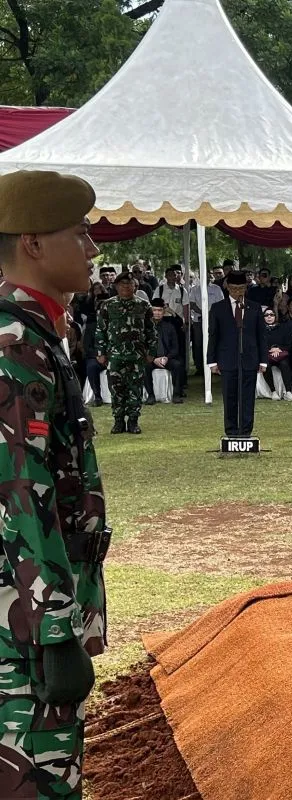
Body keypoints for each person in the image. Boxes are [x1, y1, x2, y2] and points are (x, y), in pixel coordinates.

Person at [0, 170, 109, 799]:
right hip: (22, 625)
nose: (93, 248)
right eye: (79, 232)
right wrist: (54, 631)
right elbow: (19, 492)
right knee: (37, 780)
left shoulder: (37, 334)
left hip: (27, 614)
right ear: (34, 243)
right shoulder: (15, 345)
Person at [207, 270, 268, 438]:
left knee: (248, 398)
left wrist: (263, 360)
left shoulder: (254, 307)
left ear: (246, 288)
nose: (237, 292)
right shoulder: (218, 308)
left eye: (241, 288)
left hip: (250, 358)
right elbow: (213, 335)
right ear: (227, 287)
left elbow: (261, 335)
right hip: (227, 358)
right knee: (230, 397)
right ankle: (231, 431)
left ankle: (246, 431)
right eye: (234, 288)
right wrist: (212, 361)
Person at [95, 272, 155, 434]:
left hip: (136, 355)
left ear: (135, 286)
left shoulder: (144, 305)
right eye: (122, 284)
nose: (126, 287)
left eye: (129, 284)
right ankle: (118, 421)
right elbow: (100, 330)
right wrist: (100, 352)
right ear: (116, 287)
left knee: (135, 389)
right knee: (116, 389)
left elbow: (151, 330)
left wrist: (151, 351)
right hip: (115, 355)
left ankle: (133, 421)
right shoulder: (107, 305)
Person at [144, 298, 184, 405]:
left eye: (159, 310)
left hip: (166, 358)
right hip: (151, 358)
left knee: (178, 365)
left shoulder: (169, 327)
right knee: (145, 366)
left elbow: (175, 348)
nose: (157, 313)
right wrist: (153, 359)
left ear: (164, 312)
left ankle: (176, 394)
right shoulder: (145, 327)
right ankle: (150, 395)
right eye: (154, 310)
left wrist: (167, 357)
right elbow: (142, 347)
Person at [262, 307, 292, 401]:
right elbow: (259, 344)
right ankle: (273, 391)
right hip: (267, 355)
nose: (269, 317)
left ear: (275, 316)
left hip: (281, 354)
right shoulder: (261, 330)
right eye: (266, 315)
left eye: (271, 315)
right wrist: (270, 350)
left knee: (284, 364)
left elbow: (289, 344)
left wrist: (278, 349)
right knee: (266, 365)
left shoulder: (282, 328)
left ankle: (288, 392)